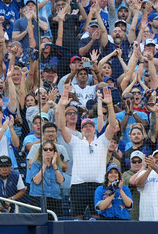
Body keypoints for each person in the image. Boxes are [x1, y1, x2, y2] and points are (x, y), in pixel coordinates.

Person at [56, 87, 117, 219]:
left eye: (90, 126)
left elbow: (112, 125)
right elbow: (61, 127)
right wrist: (61, 106)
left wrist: (110, 105)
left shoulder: (103, 141)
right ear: (81, 130)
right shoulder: (76, 142)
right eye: (84, 126)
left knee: (97, 218)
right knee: (77, 218)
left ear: (94, 129)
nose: (87, 127)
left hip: (99, 185)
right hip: (78, 186)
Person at [29, 141, 64, 218]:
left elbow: (60, 180)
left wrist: (54, 165)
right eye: (45, 149)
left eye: (51, 149)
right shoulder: (35, 164)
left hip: (54, 198)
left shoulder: (58, 165)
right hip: (39, 198)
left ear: (54, 153)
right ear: (41, 152)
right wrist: (44, 165)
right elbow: (37, 181)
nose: (48, 151)